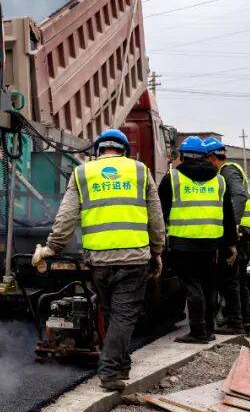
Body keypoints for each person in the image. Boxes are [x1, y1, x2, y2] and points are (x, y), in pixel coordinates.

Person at [31, 128, 165, 391]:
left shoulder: (82, 173)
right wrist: (157, 250)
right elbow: (155, 217)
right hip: (133, 258)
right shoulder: (140, 171)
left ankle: (122, 363)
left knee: (113, 314)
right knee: (124, 316)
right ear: (125, 151)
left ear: (98, 150)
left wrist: (52, 248)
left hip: (98, 261)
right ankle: (110, 371)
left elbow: (66, 217)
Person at [159, 136, 237, 343]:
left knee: (192, 285)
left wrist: (157, 242)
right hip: (211, 244)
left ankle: (198, 332)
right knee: (208, 286)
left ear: (182, 156)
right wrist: (230, 244)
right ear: (204, 156)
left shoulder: (172, 178)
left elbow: (160, 213)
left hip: (182, 243)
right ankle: (208, 329)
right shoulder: (219, 180)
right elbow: (228, 215)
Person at [203, 137, 250, 335]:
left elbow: (239, 196)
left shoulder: (228, 171)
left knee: (230, 280)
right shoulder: (229, 170)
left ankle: (235, 323)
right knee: (239, 280)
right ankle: (246, 322)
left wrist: (231, 229)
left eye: (205, 159)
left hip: (239, 234)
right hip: (244, 233)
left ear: (211, 158)